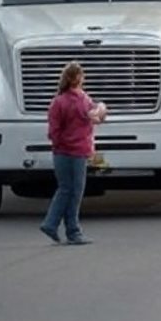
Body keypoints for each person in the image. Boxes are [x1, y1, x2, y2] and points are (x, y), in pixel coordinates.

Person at [40, 62, 105, 245]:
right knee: (75, 191)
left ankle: (54, 224)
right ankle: (71, 230)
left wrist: (61, 143)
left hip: (60, 152)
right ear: (79, 78)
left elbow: (53, 132)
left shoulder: (57, 102)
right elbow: (98, 116)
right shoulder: (83, 100)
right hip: (78, 151)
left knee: (64, 189)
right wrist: (101, 108)